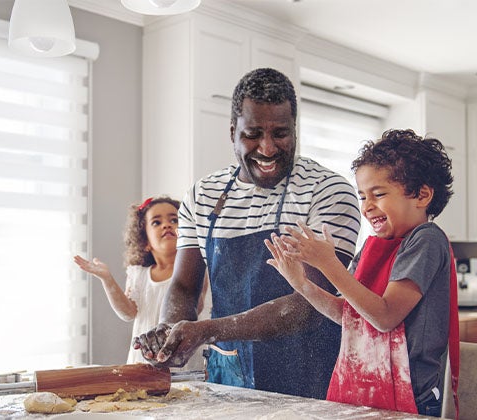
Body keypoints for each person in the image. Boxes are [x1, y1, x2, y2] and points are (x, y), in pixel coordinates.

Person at [133, 68, 361, 399]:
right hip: (227, 382)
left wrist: (207, 330)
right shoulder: (203, 195)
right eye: (253, 134)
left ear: (295, 131)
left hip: (311, 379)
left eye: (281, 133)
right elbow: (183, 286)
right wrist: (170, 333)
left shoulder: (327, 191)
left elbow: (312, 303)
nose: (268, 149)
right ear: (232, 133)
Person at [265, 129, 460, 416]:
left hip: (412, 402)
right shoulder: (371, 248)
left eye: (378, 195)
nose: (367, 207)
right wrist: (302, 284)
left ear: (422, 195)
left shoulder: (426, 240)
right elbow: (348, 317)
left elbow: (385, 316)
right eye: (362, 197)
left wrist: (329, 264)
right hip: (367, 393)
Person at [74, 196, 209, 371]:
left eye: (174, 220)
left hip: (181, 361)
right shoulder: (138, 274)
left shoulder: (197, 269)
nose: (167, 225)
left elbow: (194, 308)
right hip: (143, 359)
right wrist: (107, 279)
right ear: (145, 242)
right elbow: (128, 312)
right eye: (156, 222)